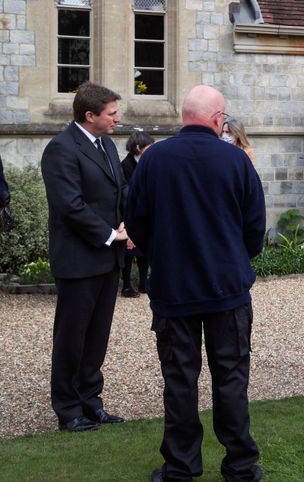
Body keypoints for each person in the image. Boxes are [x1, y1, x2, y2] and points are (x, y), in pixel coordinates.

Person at [124, 85, 265, 482]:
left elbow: (136, 220)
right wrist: (233, 257)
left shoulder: (153, 160)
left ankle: (182, 466)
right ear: (218, 119)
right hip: (226, 288)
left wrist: (164, 257)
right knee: (232, 376)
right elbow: (255, 226)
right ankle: (240, 465)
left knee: (179, 379)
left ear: (184, 116)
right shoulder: (236, 162)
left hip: (174, 288)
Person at [40, 82, 129, 432]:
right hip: (78, 260)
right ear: (89, 115)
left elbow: (117, 190)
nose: (118, 119)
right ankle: (68, 408)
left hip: (108, 259)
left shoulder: (106, 144)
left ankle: (91, 402)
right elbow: (70, 207)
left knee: (97, 336)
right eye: (111, 113)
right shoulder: (60, 149)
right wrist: (110, 235)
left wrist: (126, 224)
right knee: (71, 337)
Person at [120, 130, 154, 297]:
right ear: (138, 148)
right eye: (149, 147)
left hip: (144, 211)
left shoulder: (149, 163)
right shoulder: (125, 166)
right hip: (128, 212)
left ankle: (143, 282)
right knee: (128, 251)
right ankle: (126, 285)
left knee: (143, 251)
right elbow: (125, 193)